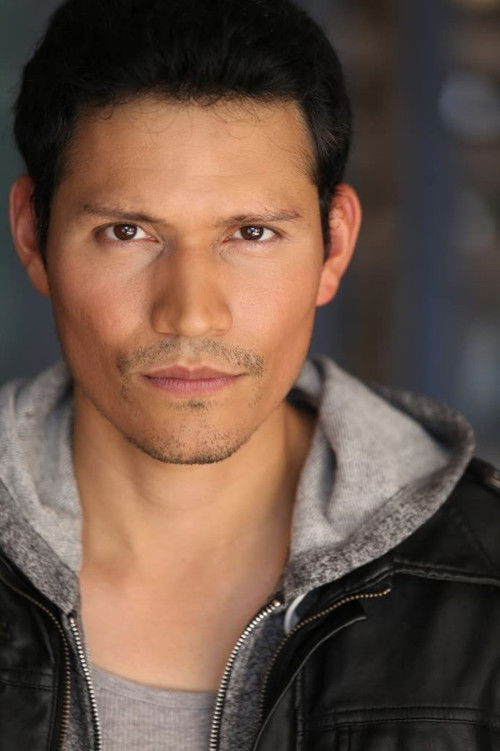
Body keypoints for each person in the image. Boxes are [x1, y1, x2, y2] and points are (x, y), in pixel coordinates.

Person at [1, 0, 500, 748]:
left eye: (252, 232)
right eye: (127, 232)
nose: (191, 314)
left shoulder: (485, 585)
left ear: (334, 245)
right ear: (32, 234)